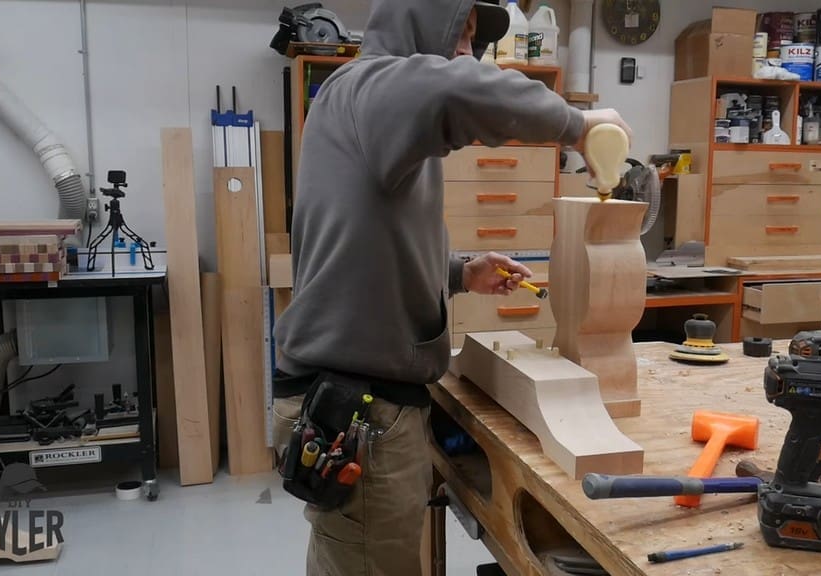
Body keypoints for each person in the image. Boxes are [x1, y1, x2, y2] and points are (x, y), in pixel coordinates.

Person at [271, 0, 632, 574]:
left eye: (472, 39)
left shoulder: (380, 118)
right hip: (355, 404)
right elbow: (455, 88)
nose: (469, 51)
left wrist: (460, 274)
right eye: (458, 33)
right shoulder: (369, 87)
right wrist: (579, 127)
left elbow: (370, 246)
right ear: (418, 26)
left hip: (365, 397)